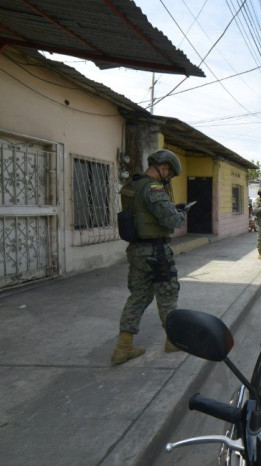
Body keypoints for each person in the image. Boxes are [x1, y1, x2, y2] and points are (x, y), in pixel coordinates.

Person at [111, 149, 189, 365]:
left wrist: (171, 210)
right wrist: (180, 212)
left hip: (136, 251)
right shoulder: (153, 189)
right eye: (170, 174)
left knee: (138, 296)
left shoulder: (132, 186)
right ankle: (172, 341)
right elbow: (173, 221)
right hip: (155, 251)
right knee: (167, 294)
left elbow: (145, 213)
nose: (169, 178)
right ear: (164, 167)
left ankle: (123, 347)